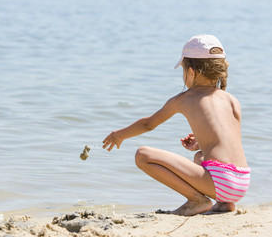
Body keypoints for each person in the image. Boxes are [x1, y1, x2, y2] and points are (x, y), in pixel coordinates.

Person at [102, 34, 251, 216]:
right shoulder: (232, 99)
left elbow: (148, 124)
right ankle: (224, 204)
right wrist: (202, 143)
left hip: (222, 181)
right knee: (199, 156)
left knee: (142, 155)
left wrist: (120, 135)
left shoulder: (184, 99)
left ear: (190, 72)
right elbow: (229, 140)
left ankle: (197, 200)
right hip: (242, 182)